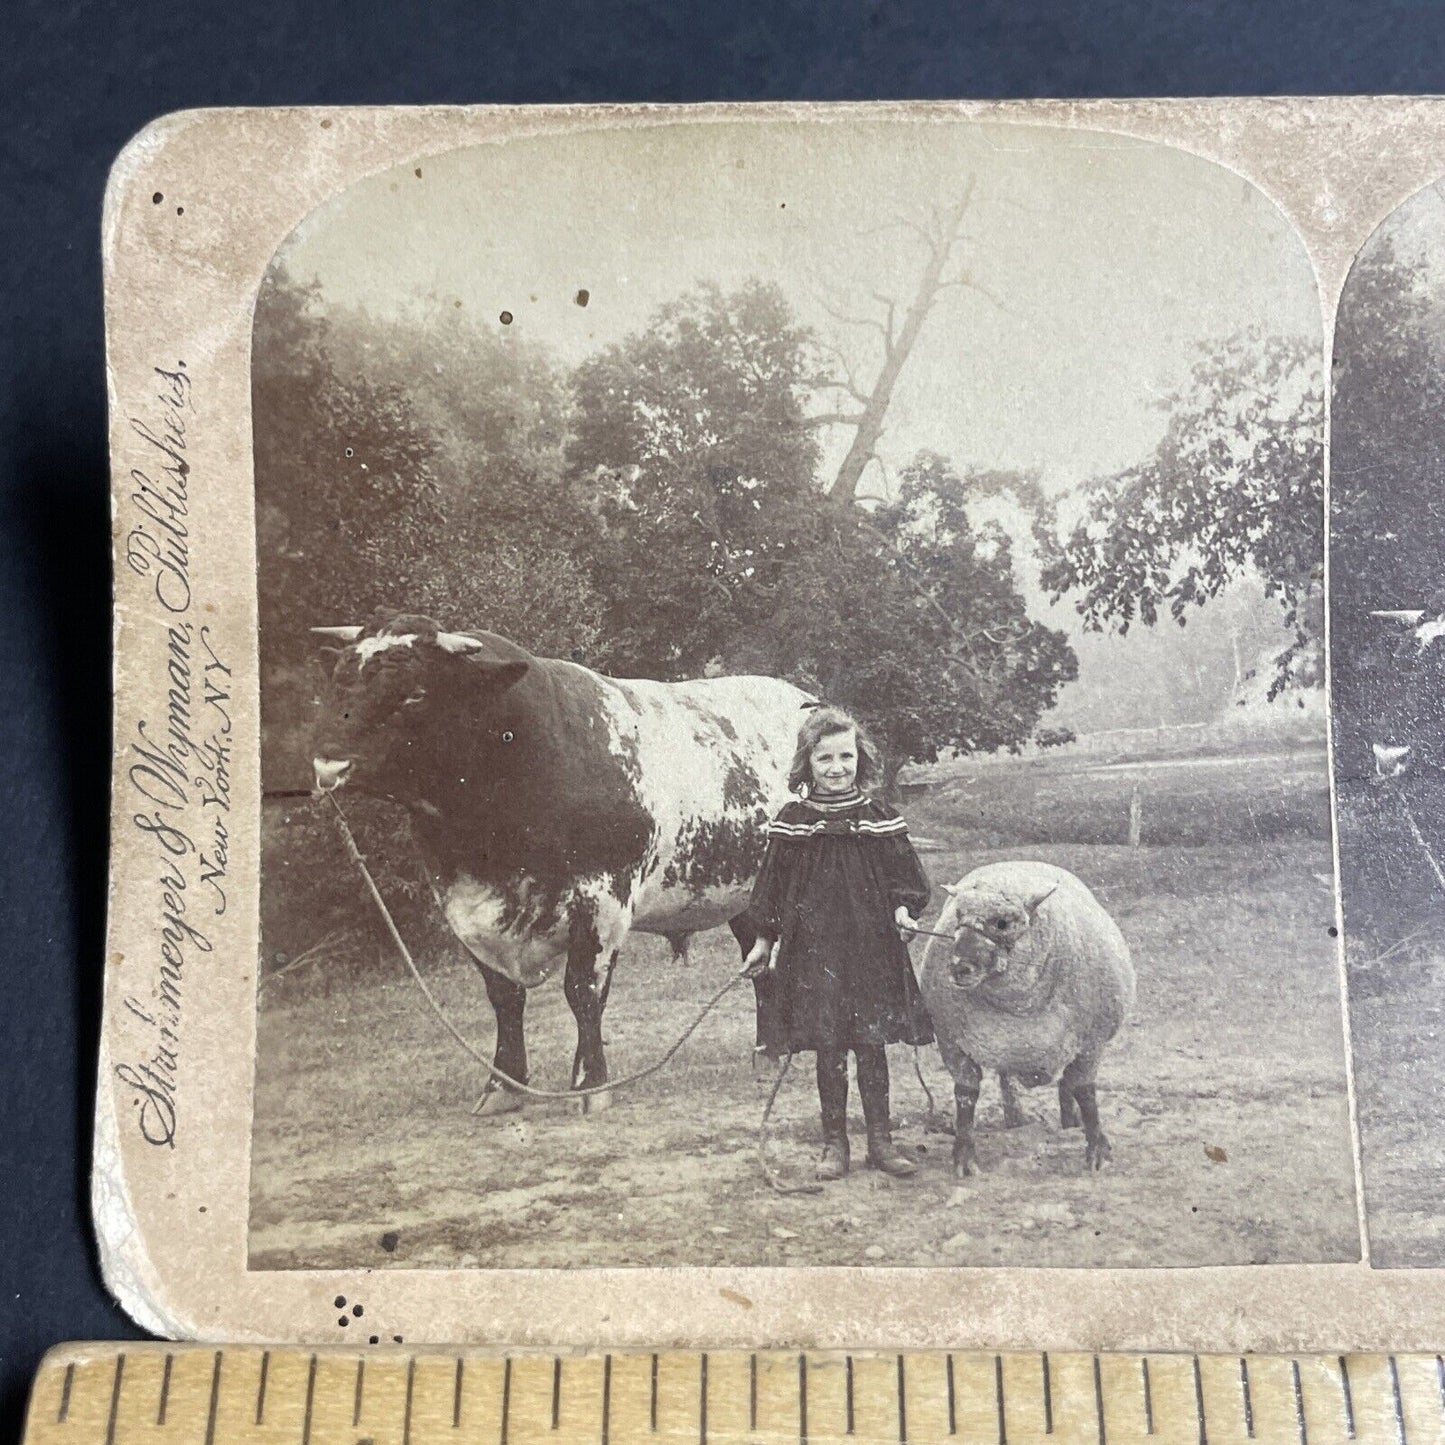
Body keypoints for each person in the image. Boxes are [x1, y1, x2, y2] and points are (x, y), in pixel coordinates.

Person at [742, 706, 933, 1180]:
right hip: (814, 953)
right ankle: (835, 1144)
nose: (836, 768)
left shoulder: (879, 818)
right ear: (807, 764)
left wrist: (905, 910)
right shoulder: (793, 822)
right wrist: (764, 941)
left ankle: (882, 1143)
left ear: (859, 759)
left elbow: (904, 879)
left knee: (872, 1045)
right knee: (829, 1047)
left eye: (845, 756)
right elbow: (771, 888)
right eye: (824, 758)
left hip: (873, 950)